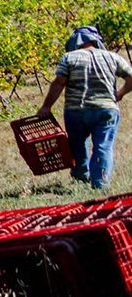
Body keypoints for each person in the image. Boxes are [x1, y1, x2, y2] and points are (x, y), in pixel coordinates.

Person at [37, 25, 132, 189]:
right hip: (106, 109)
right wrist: (120, 93)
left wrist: (46, 106)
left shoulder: (69, 58)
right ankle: (100, 183)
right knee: (103, 146)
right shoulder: (112, 57)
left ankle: (81, 174)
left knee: (77, 144)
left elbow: (59, 82)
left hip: (76, 111)